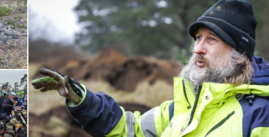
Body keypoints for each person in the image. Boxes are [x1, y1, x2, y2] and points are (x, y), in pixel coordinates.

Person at [32, 0, 269, 136]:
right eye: (198, 38)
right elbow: (131, 129)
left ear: (239, 56)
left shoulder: (260, 116)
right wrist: (85, 101)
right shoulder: (184, 106)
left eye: (211, 40)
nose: (198, 48)